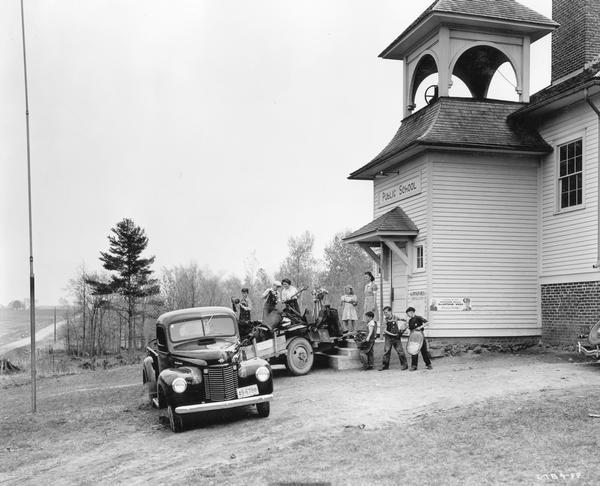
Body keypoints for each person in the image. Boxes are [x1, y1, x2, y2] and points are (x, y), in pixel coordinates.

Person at [379, 306, 408, 371]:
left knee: (400, 352)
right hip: (388, 338)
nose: (385, 314)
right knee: (386, 351)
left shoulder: (395, 317)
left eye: (386, 312)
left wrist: (405, 322)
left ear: (390, 311)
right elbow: (384, 330)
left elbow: (403, 320)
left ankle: (404, 365)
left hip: (396, 338)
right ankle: (385, 366)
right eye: (384, 313)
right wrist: (393, 334)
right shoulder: (385, 320)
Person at [406, 306, 432, 370]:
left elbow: (427, 322)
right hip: (413, 337)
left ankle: (428, 364)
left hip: (420, 336)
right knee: (414, 351)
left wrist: (420, 327)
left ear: (411, 312)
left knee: (424, 351)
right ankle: (414, 366)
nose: (407, 315)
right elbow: (410, 329)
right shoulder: (410, 321)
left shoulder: (418, 318)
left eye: (408, 313)